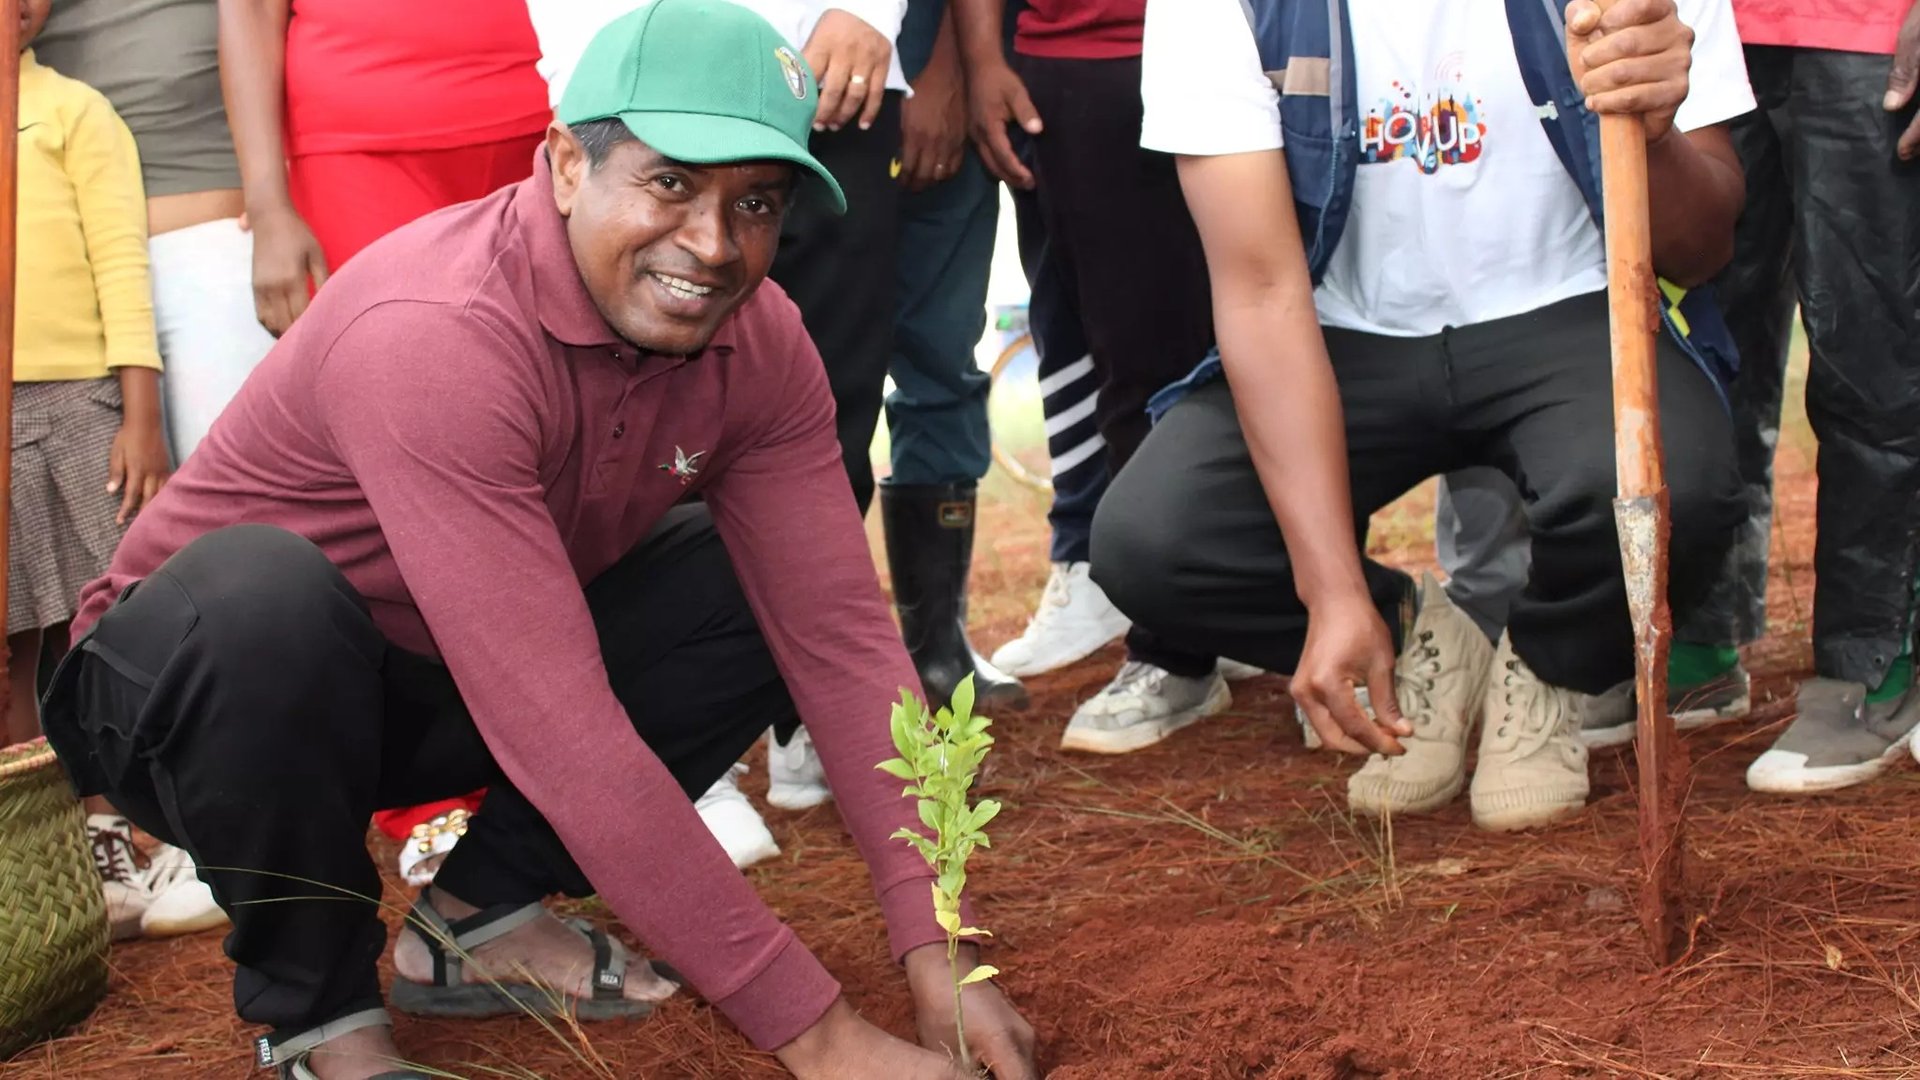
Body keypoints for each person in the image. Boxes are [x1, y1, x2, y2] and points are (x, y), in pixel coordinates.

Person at [39, 5, 1039, 1078]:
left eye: (755, 201)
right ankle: (324, 1021)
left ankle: (478, 917)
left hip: (430, 679)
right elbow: (556, 724)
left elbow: (841, 642)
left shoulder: (760, 340)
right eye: (669, 183)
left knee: (751, 584)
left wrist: (947, 944)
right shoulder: (436, 330)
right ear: (565, 162)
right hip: (191, 700)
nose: (710, 244)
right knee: (264, 596)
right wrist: (823, 1039)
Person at [1096, 0, 1752, 831]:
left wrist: (1652, 133)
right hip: (1337, 329)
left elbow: (1705, 247)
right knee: (1157, 542)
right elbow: (1260, 291)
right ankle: (1427, 646)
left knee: (1678, 488)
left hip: (1573, 308)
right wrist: (1333, 593)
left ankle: (1549, 667)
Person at [218, 0, 554, 882]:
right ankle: (426, 798)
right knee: (399, 451)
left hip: (545, 111)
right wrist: (267, 199)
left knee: (550, 436)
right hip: (358, 138)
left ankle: (541, 759)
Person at [954, 0, 1254, 753]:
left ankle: (1294, 611)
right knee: (1129, 359)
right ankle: (1173, 647)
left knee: (1293, 328)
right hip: (1079, 60)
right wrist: (985, 57)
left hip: (1258, 38)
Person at [14, 0, 220, 944]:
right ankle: (55, 847)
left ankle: (154, 827)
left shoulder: (71, 111)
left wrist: (140, 412)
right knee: (16, 644)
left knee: (102, 624)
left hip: (80, 404)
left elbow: (118, 265)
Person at [1674, 0, 1920, 793]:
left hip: (1871, 31)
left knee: (1869, 357)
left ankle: (1874, 666)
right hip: (1707, 28)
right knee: (1705, 343)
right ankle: (1699, 636)